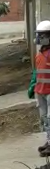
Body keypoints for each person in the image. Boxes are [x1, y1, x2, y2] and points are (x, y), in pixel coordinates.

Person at [29, 20, 50, 157]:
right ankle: (49, 140)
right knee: (44, 119)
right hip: (40, 91)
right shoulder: (39, 54)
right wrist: (33, 86)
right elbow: (37, 73)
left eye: (43, 35)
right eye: (39, 35)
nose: (40, 38)